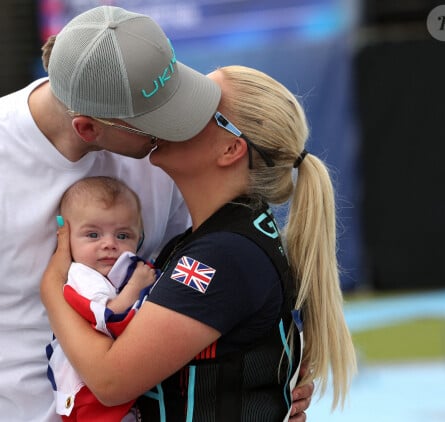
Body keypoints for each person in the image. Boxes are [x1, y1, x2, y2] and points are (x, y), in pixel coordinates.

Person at [0, 5, 313, 421]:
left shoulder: (161, 157)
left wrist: (268, 383)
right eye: (157, 117)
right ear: (88, 129)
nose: (178, 126)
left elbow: (203, 293)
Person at [41, 64, 357, 421]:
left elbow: (111, 381)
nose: (173, 112)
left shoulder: (224, 254)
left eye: (198, 109)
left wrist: (52, 286)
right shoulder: (219, 236)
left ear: (230, 149)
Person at [48, 176, 157, 421]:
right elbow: (106, 316)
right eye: (93, 235)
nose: (109, 244)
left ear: (139, 237)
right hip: (87, 388)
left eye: (122, 236)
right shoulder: (81, 276)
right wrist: (137, 286)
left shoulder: (122, 272)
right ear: (66, 238)